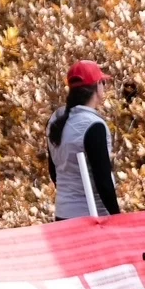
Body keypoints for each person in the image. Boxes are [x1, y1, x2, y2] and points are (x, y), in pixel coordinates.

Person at [47, 60, 120, 219]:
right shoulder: (92, 125)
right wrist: (118, 217)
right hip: (90, 216)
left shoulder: (56, 119)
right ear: (97, 86)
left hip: (62, 213)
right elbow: (103, 182)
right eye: (103, 83)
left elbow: (54, 171)